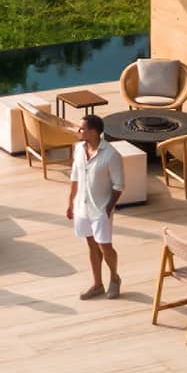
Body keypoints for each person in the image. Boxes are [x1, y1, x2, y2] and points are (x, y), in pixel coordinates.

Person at [66, 112, 123, 300]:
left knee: (105, 247)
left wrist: (108, 209)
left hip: (101, 210)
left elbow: (119, 185)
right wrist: (70, 203)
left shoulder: (112, 155)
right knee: (91, 246)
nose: (79, 130)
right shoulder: (78, 149)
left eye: (82, 128)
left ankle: (114, 279)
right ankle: (97, 284)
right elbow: (75, 177)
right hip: (82, 208)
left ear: (93, 132)